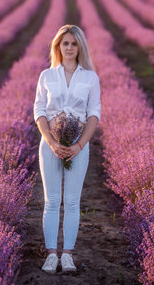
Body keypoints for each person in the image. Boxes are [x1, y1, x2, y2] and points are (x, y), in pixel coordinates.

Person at [33, 25, 101, 273]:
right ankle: (51, 254)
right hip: (50, 145)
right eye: (65, 44)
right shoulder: (46, 76)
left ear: (80, 46)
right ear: (58, 47)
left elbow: (94, 115)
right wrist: (51, 141)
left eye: (74, 43)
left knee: (72, 201)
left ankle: (68, 255)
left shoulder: (90, 78)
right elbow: (39, 111)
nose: (70, 48)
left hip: (78, 146)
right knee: (52, 201)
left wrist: (79, 145)